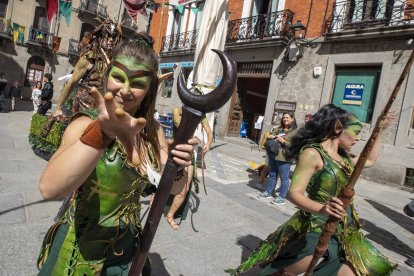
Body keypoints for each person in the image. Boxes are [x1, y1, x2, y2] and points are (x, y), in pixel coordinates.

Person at [36, 37, 197, 275]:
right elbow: (49, 189)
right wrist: (104, 133)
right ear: (107, 76)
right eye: (119, 78)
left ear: (150, 88)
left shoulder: (153, 131)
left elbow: (172, 189)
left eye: (138, 83)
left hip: (128, 252)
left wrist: (180, 164)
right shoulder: (86, 122)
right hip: (78, 251)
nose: (125, 90)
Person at [227, 104, 396, 276]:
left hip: (345, 227)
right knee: (294, 269)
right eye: (355, 133)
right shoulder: (312, 153)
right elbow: (294, 193)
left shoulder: (344, 156)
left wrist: (380, 130)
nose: (357, 139)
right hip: (317, 225)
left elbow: (369, 161)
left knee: (373, 268)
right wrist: (323, 209)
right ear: (338, 128)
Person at [53, 19, 122, 116]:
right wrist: (57, 108)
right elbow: (71, 82)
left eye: (113, 37)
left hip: (103, 107)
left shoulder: (112, 60)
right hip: (84, 106)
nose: (111, 40)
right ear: (100, 37)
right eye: (108, 36)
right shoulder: (90, 57)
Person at [163, 106, 212, 230]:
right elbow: (179, 125)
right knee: (162, 184)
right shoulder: (177, 110)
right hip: (173, 152)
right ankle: (156, 208)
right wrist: (196, 138)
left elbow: (209, 131)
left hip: (189, 157)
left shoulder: (201, 115)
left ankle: (170, 215)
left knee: (183, 190)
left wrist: (208, 143)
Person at [258, 112, 297, 205]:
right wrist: (270, 136)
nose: (285, 119)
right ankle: (268, 192)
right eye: (284, 118)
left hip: (284, 157)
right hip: (273, 155)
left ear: (292, 118)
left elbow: (295, 146)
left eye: (287, 117)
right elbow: (271, 134)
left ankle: (281, 197)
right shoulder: (279, 128)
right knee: (272, 174)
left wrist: (283, 141)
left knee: (284, 177)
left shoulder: (295, 131)